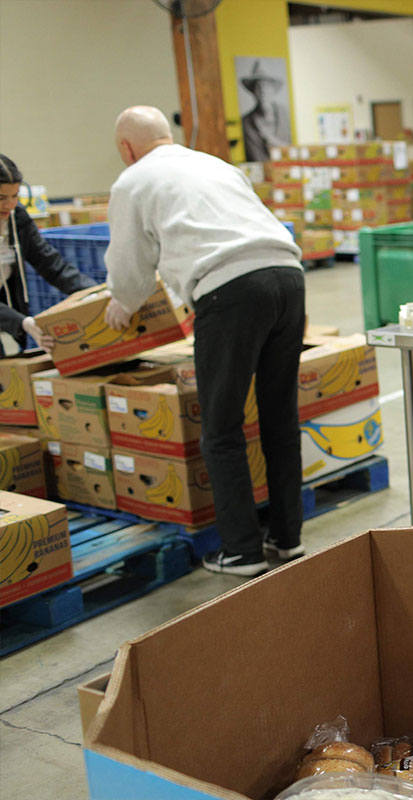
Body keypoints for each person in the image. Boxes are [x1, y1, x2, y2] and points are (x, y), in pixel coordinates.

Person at [102, 106, 306, 578]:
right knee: (279, 414)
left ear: (126, 149)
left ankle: (242, 551)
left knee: (221, 425)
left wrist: (123, 303)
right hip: (287, 277)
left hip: (230, 291)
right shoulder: (216, 164)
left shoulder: (132, 181)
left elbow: (130, 264)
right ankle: (286, 537)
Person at [0, 155, 97, 354]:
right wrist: (22, 322)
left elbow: (51, 264)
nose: (9, 205)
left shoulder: (16, 218)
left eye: (15, 196)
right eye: (1, 198)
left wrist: (93, 293)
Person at [240, 60, 291, 163]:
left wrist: (274, 142)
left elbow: (294, 152)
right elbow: (255, 159)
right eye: (258, 87)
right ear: (253, 92)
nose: (263, 91)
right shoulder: (246, 122)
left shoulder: (284, 114)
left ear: (273, 90)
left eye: (266, 87)